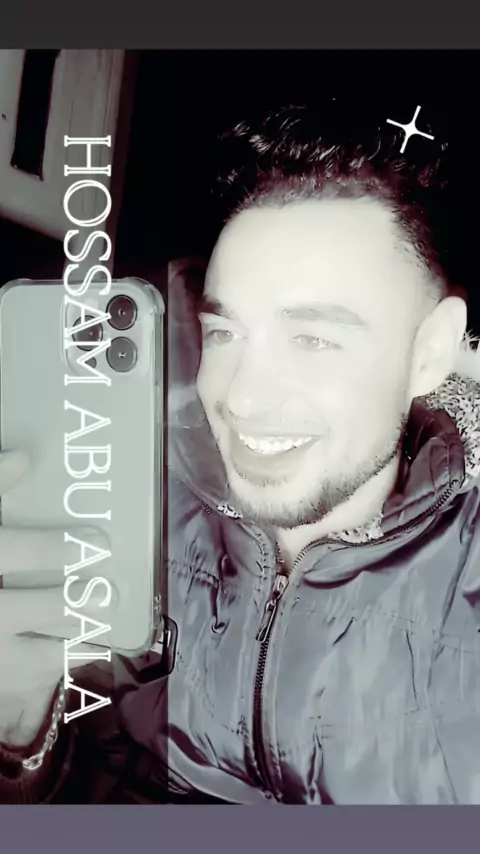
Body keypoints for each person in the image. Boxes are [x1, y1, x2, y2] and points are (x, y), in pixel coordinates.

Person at [0, 102, 479, 805]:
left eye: (312, 339)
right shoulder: (118, 499)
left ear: (431, 351)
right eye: (225, 333)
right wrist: (19, 732)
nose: (241, 398)